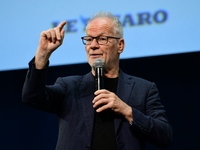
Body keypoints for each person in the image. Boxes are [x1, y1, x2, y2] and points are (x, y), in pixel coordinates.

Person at [22, 12, 173, 150]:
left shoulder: (144, 88)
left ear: (120, 45)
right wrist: (42, 54)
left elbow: (165, 136)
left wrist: (127, 111)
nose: (93, 45)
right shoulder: (69, 86)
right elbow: (32, 97)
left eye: (102, 39)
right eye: (88, 39)